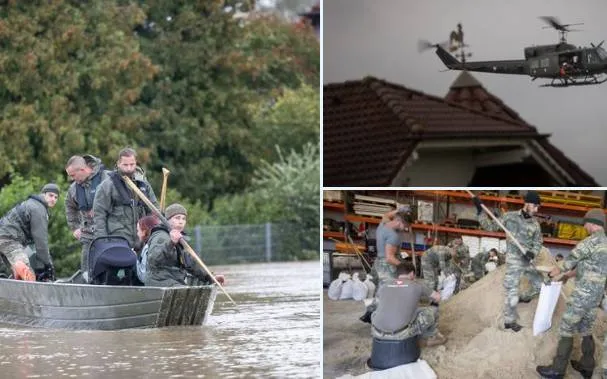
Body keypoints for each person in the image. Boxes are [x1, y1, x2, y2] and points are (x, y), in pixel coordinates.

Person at [536, 209, 607, 379]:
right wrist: (568, 275)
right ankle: (587, 366)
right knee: (586, 329)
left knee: (566, 328)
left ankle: (557, 369)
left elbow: (569, 261)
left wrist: (553, 273)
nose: (585, 228)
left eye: (586, 224)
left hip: (582, 295)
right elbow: (589, 267)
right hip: (596, 297)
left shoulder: (590, 242)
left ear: (592, 223)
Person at [473, 190, 544, 332]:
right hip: (514, 262)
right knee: (512, 294)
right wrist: (480, 211)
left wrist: (532, 253)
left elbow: (538, 242)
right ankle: (509, 322)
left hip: (528, 261)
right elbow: (490, 227)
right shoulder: (509, 217)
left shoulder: (535, 224)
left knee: (541, 285)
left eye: (537, 207)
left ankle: (525, 296)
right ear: (528, 204)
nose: (536, 210)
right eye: (535, 206)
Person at [93, 147, 158, 249]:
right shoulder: (107, 185)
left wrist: (154, 235)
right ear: (118, 163)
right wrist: (102, 242)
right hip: (117, 241)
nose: (128, 168)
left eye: (132, 164)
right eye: (125, 165)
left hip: (142, 241)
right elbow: (99, 215)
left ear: (136, 163)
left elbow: (154, 210)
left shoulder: (144, 184)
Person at [371, 261, 446, 347]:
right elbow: (437, 297)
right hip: (400, 334)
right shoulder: (417, 285)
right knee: (433, 311)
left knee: (376, 312)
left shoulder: (384, 285)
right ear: (411, 273)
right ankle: (429, 338)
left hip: (376, 332)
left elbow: (377, 302)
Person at [64, 155, 111, 281]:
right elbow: (69, 206)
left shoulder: (108, 178)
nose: (71, 179)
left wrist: (101, 208)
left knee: (109, 268)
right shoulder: (74, 188)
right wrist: (74, 228)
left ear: (82, 170)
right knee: (86, 270)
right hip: (88, 235)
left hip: (110, 233)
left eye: (73, 175)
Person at [0, 183, 59, 281]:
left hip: (4, 237)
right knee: (28, 275)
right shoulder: (39, 209)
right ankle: (19, 267)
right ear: (43, 194)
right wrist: (47, 264)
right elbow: (41, 240)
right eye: (50, 195)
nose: (53, 199)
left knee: (16, 275)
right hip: (9, 239)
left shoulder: (30, 203)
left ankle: (15, 273)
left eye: (56, 197)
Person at [360, 207, 408, 323]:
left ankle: (370, 313)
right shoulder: (394, 236)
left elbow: (386, 215)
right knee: (386, 293)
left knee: (379, 291)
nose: (406, 228)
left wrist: (399, 210)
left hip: (378, 263)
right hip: (387, 266)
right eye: (405, 225)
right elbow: (390, 258)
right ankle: (379, 320)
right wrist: (405, 266)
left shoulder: (382, 225)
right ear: (398, 221)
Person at [163, 203, 224, 286]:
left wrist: (210, 277)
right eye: (177, 218)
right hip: (163, 282)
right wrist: (171, 243)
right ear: (167, 220)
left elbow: (191, 264)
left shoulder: (181, 240)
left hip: (176, 281)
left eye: (183, 219)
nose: (181, 222)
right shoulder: (161, 236)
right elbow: (155, 259)